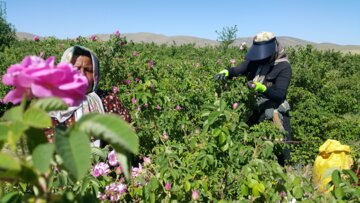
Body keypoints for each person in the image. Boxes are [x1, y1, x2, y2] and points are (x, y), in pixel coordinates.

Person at [214, 31, 292, 165]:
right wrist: (227, 72)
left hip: (273, 112)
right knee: (252, 150)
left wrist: (262, 88)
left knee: (279, 154)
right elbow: (239, 69)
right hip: (255, 111)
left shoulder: (283, 66)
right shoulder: (255, 60)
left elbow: (280, 94)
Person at [45, 45, 132, 146]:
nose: (82, 74)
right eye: (76, 69)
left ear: (95, 75)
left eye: (88, 70)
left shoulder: (109, 99)